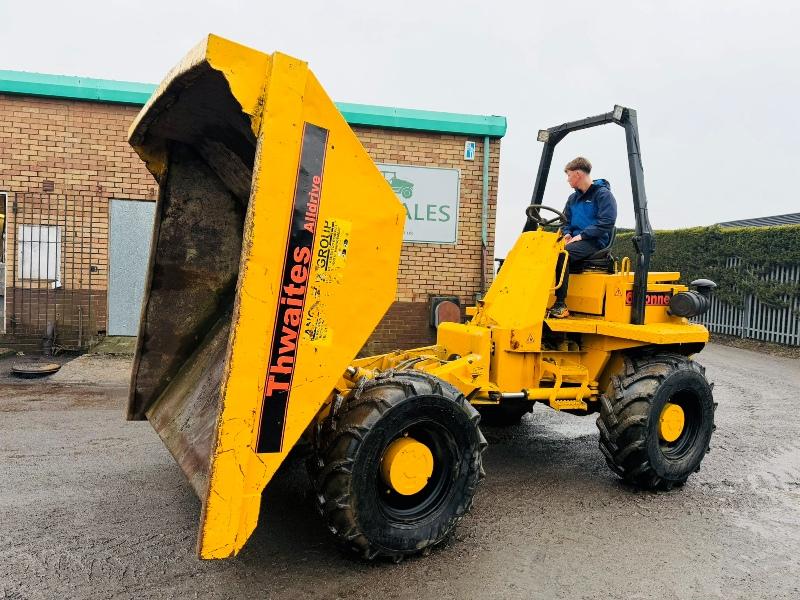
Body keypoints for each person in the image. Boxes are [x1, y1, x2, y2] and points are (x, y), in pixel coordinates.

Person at [549, 157, 617, 318]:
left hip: (595, 241)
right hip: (575, 240)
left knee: (562, 256)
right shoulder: (573, 198)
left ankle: (560, 304)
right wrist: (566, 234)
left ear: (578, 174)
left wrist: (581, 236)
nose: (567, 180)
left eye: (569, 175)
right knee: (544, 252)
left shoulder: (602, 195)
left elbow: (606, 222)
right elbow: (565, 220)